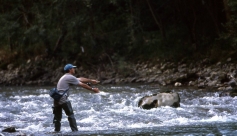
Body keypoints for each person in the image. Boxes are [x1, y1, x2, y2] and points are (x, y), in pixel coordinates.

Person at [52, 64, 100, 132]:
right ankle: (75, 132)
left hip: (56, 99)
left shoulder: (66, 77)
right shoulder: (69, 77)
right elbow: (82, 84)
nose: (74, 69)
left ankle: (56, 132)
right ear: (70, 70)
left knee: (57, 118)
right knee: (70, 115)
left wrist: (91, 81)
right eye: (73, 68)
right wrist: (93, 89)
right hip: (63, 99)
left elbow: (80, 79)